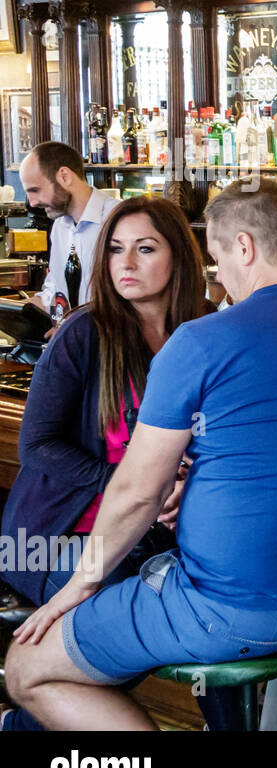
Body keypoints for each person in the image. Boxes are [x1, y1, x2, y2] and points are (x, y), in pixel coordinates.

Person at [4, 181, 277, 730]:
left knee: (23, 668)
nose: (220, 273)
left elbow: (137, 492)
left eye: (221, 256)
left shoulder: (200, 340)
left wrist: (76, 589)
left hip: (233, 609)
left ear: (245, 248)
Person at [0, 197, 209, 731]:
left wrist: (186, 487)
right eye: (115, 249)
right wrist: (131, 482)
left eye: (145, 248)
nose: (126, 264)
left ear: (179, 258)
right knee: (126, 630)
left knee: (202, 613)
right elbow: (36, 445)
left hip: (157, 540)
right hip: (64, 538)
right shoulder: (85, 332)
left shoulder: (204, 335)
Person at [20, 142, 121, 324]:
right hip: (75, 342)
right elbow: (56, 289)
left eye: (35, 190)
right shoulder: (60, 225)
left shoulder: (119, 219)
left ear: (64, 177)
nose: (32, 203)